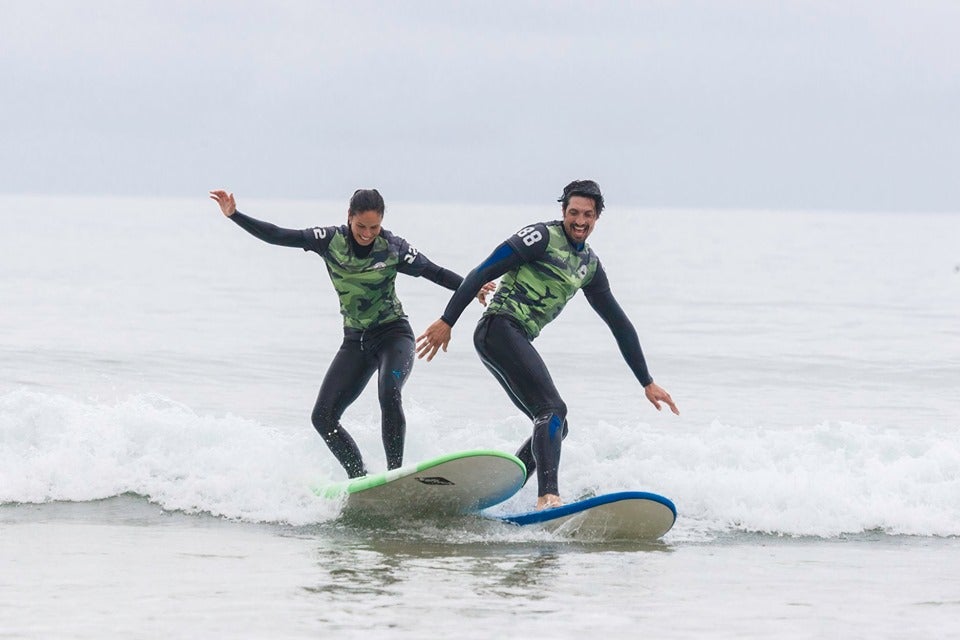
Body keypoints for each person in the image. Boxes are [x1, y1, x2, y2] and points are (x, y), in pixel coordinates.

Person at [416, 180, 679, 510]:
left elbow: (619, 324)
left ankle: (498, 493)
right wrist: (447, 320)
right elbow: (482, 270)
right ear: (563, 211)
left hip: (513, 336)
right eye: (573, 213)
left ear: (598, 217)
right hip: (498, 328)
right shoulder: (540, 237)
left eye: (587, 215)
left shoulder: (589, 266)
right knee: (551, 410)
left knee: (557, 424)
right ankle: (548, 497)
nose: (579, 221)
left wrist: (646, 380)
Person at [210, 188, 491, 479]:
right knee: (322, 417)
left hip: (394, 336)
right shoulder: (329, 240)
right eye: (361, 226)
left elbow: (435, 272)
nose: (367, 233)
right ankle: (359, 477)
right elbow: (278, 235)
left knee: (389, 392)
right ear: (349, 218)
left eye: (374, 227)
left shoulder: (394, 247)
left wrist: (472, 288)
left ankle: (394, 476)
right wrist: (234, 215)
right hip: (355, 341)